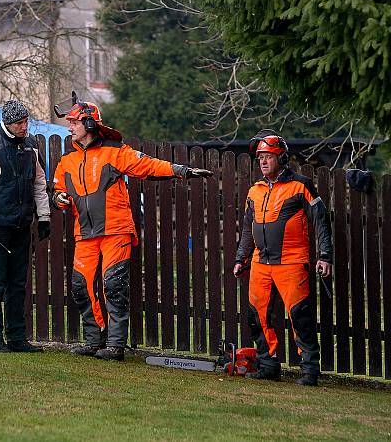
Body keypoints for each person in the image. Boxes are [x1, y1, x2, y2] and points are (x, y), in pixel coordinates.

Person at [52, 98, 211, 360]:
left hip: (116, 230)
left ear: (89, 124)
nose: (70, 127)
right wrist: (58, 199)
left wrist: (181, 170)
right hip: (85, 233)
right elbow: (58, 190)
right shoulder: (67, 161)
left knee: (113, 285)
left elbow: (148, 165)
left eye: (74, 122)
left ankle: (115, 345)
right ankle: (95, 340)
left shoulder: (115, 152)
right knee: (81, 286)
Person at [234, 129, 333, 386]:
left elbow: (320, 220)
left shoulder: (300, 186)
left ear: (281, 158)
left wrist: (325, 256)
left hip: (292, 262)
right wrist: (240, 257)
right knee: (258, 317)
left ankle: (309, 371)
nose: (263, 161)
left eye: (268, 156)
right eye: (260, 158)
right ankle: (268, 365)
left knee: (300, 317)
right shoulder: (253, 191)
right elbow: (247, 228)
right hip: (260, 263)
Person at [0, 99, 51, 353]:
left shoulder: (31, 146)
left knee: (18, 284)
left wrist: (44, 217)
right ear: (7, 122)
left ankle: (16, 338)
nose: (24, 126)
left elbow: (39, 183)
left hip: (22, 225)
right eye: (19, 123)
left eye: (26, 121)